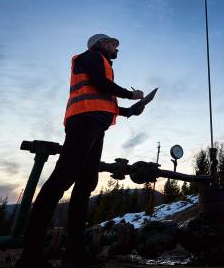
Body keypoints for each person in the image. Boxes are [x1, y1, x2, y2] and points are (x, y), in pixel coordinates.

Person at [15, 34, 146, 268]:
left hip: (94, 122)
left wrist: (129, 111)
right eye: (112, 44)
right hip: (84, 120)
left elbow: (102, 97)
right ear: (100, 44)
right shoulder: (91, 57)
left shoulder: (101, 64)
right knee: (63, 178)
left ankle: (75, 253)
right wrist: (130, 94)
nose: (116, 48)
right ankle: (31, 255)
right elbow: (98, 84)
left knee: (86, 183)